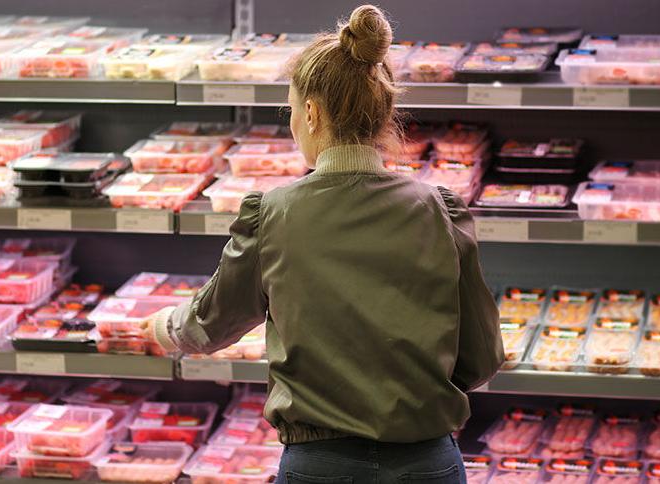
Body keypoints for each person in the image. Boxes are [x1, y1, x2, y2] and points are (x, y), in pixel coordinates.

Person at [144, 4, 503, 483]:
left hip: (322, 467)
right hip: (428, 463)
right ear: (384, 115)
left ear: (311, 113)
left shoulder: (273, 213)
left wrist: (163, 327)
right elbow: (480, 357)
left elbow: (210, 323)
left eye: (291, 110)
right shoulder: (439, 209)